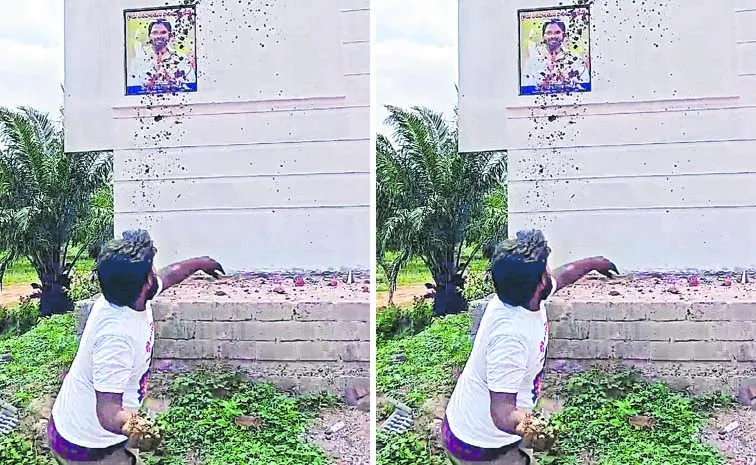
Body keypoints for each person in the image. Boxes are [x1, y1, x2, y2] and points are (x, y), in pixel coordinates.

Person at [47, 230, 224, 464]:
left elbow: (168, 276)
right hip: (89, 448)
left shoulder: (123, 294)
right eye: (151, 269)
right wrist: (136, 427)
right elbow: (108, 412)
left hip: (74, 426)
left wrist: (200, 263)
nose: (155, 272)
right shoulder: (116, 338)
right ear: (145, 282)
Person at [442, 230, 618, 465]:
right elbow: (503, 412)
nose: (549, 272)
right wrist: (534, 428)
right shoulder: (510, 338)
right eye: (546, 269)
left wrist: (595, 263)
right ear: (539, 283)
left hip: (466, 425)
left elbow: (562, 276)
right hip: (482, 448)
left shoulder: (515, 294)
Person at [126, 18, 197, 95]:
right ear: (149, 36)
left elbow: (191, 86)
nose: (159, 36)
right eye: (155, 32)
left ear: (169, 36)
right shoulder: (138, 62)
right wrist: (152, 79)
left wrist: (173, 81)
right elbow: (132, 89)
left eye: (163, 32)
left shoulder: (182, 59)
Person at [521, 18, 590, 94]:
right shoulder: (533, 62)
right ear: (543, 36)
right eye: (549, 33)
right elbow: (526, 89)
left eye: (557, 32)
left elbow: (585, 87)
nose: (553, 36)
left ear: (563, 35)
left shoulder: (576, 60)